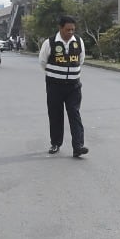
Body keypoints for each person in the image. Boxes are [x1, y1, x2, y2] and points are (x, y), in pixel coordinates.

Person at [39, 14, 87, 157]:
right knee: (55, 115)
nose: (70, 33)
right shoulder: (50, 43)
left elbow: (81, 59)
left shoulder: (78, 41)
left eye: (73, 30)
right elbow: (42, 62)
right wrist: (55, 74)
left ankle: (78, 146)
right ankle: (55, 143)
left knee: (74, 113)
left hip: (73, 86)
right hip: (55, 86)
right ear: (60, 28)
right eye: (67, 30)